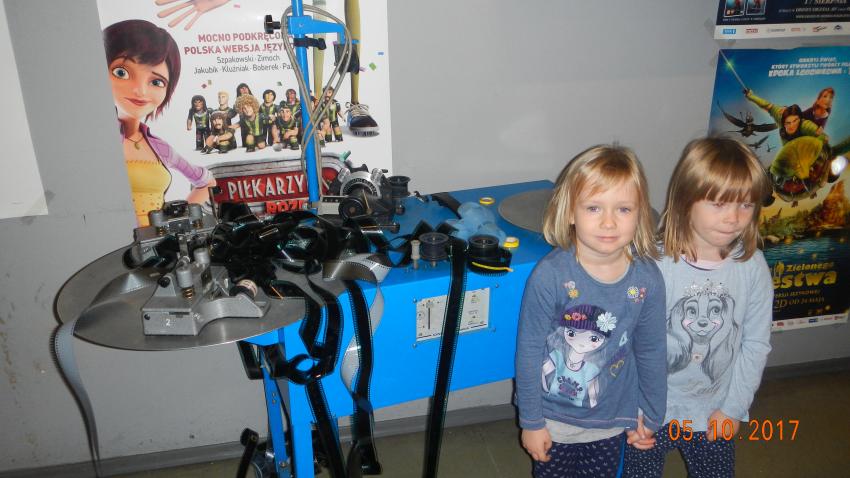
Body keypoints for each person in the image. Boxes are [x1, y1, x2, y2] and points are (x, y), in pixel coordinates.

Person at [623, 137, 774, 478]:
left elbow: (755, 344)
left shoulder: (752, 268)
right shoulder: (652, 264)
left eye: (746, 205)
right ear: (686, 200)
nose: (733, 218)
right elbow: (627, 340)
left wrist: (733, 409)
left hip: (715, 411)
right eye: (719, 203)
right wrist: (631, 409)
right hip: (648, 411)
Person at [516, 145, 667, 478]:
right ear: (571, 212)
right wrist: (531, 422)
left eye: (623, 209)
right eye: (594, 207)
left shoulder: (647, 279)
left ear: (640, 214)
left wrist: (652, 413)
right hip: (553, 421)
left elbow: (652, 350)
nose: (609, 222)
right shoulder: (550, 275)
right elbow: (529, 352)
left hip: (611, 421)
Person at [104, 19, 214, 226]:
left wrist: (178, 220)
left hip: (158, 241)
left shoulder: (159, 147)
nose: (140, 91)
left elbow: (206, 181)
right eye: (121, 72)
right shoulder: (96, 140)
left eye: (156, 82)